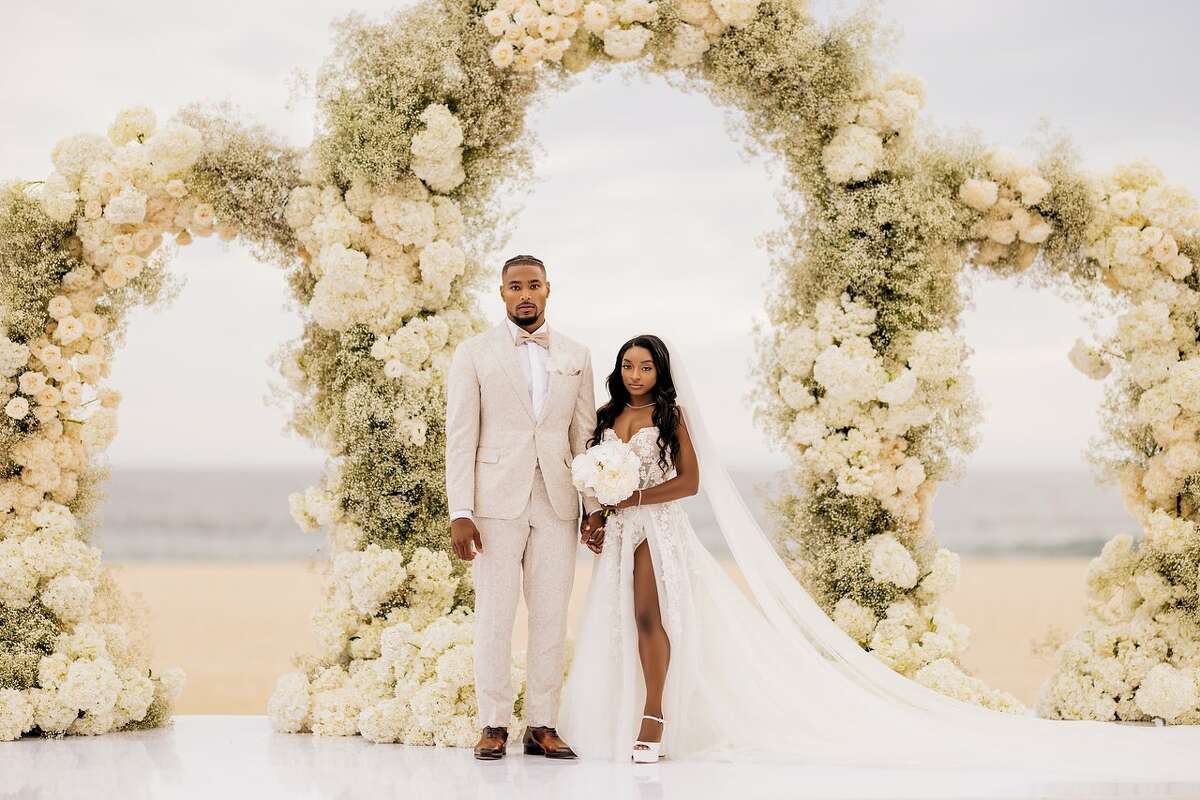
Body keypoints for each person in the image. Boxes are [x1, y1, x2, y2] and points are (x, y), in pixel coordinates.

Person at [556, 333, 1200, 778]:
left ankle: (655, 717)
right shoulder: (608, 415)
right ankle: (621, 711)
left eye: (644, 366)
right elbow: (594, 478)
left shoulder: (673, 419)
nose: (634, 374)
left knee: (648, 619)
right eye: (627, 365)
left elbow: (690, 483)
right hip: (617, 534)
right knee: (615, 620)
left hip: (657, 531)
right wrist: (596, 513)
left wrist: (630, 499)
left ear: (661, 372)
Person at [444, 253, 604, 761]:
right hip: (493, 503)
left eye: (533, 285)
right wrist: (460, 510)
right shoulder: (474, 353)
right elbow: (460, 436)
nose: (525, 294)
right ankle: (492, 723)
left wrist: (593, 506)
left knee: (551, 615)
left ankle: (543, 724)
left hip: (557, 501)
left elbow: (584, 436)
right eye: (515, 286)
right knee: (494, 613)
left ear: (548, 289)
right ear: (502, 293)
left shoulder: (577, 354)